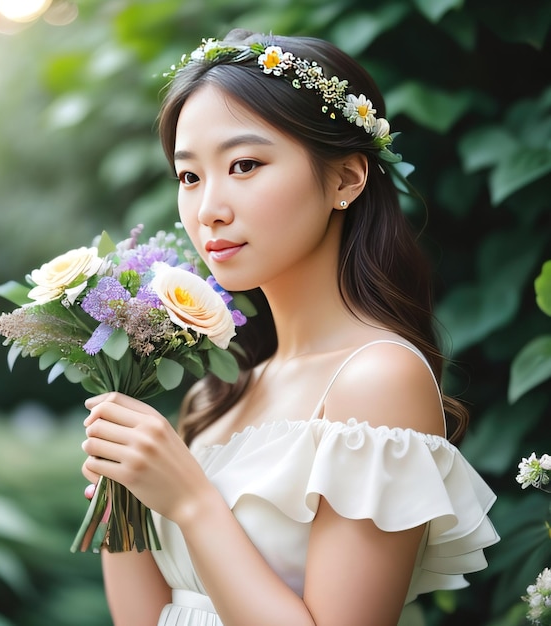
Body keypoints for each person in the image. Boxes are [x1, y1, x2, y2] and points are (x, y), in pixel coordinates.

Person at [81, 29, 499, 626]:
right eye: (189, 177)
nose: (208, 210)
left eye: (244, 165)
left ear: (346, 180)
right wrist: (122, 496)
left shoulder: (378, 379)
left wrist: (192, 502)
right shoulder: (220, 394)